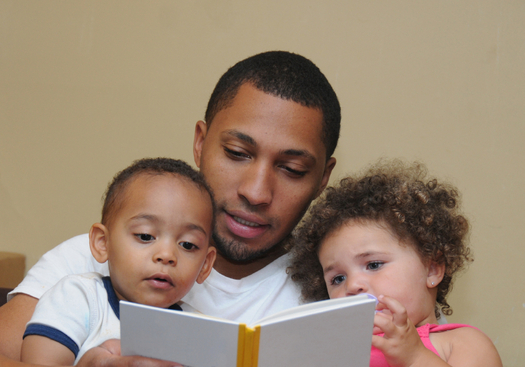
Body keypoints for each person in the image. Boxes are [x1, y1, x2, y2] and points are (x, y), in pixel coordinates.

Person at [0, 50, 340, 366]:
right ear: (200, 143)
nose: (256, 192)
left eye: (292, 169)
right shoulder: (94, 261)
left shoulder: (336, 288)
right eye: (237, 153)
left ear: (323, 177)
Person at [289, 160, 502, 367]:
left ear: (432, 269)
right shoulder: (338, 352)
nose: (353, 285)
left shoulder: (462, 343)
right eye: (338, 278)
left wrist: (415, 358)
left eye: (373, 265)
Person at [20, 158, 216, 365]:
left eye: (187, 244)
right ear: (103, 243)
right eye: (145, 236)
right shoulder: (78, 299)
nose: (166, 255)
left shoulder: (199, 331)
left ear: (205, 265)